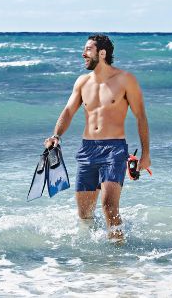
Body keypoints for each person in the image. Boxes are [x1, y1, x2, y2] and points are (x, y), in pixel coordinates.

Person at [44, 34, 150, 240]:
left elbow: (141, 117)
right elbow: (68, 111)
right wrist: (56, 135)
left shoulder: (125, 80)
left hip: (114, 149)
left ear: (102, 53)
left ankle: (118, 253)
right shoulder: (82, 82)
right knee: (85, 214)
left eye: (88, 50)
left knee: (110, 207)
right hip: (87, 150)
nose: (83, 54)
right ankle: (92, 262)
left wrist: (146, 154)